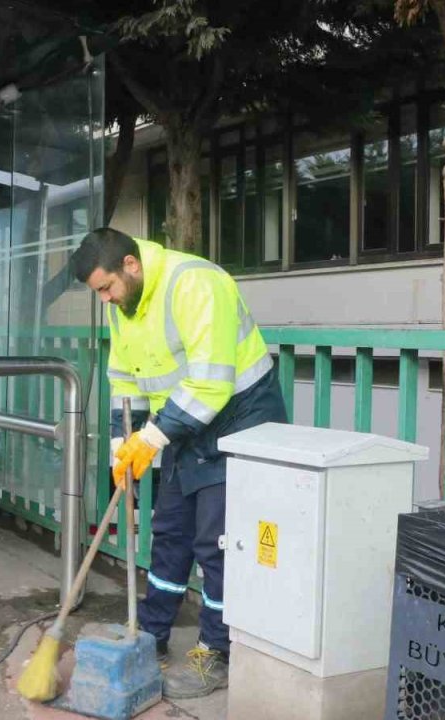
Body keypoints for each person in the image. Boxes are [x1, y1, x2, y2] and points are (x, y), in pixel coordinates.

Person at [68, 227, 287, 700]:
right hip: (185, 421)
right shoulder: (125, 306)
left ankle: (214, 653)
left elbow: (211, 382)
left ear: (131, 264)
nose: (105, 299)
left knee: (218, 543)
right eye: (98, 293)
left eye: (106, 287)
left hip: (239, 418)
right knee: (169, 530)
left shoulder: (196, 282)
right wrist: (119, 444)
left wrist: (150, 439)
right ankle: (151, 636)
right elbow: (124, 375)